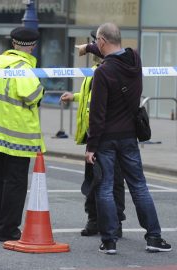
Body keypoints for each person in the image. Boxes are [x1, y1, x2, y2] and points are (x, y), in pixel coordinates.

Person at [81, 22, 171, 254]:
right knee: (139, 187)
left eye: (97, 43)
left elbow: (98, 115)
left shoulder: (102, 73)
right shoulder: (135, 59)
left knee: (105, 189)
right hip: (130, 137)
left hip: (107, 139)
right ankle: (154, 237)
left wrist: (91, 147)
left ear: (101, 41)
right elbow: (109, 48)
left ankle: (109, 241)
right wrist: (90, 47)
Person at [0, 27, 45, 241]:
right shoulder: (23, 68)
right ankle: (8, 229)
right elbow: (32, 95)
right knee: (15, 183)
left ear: (12, 43)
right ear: (32, 47)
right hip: (17, 136)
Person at [60, 42, 125, 238]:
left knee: (113, 181)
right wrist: (75, 97)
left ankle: (114, 223)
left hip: (109, 134)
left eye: (96, 48)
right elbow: (91, 97)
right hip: (93, 133)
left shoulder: (114, 68)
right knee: (93, 179)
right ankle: (94, 220)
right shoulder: (95, 71)